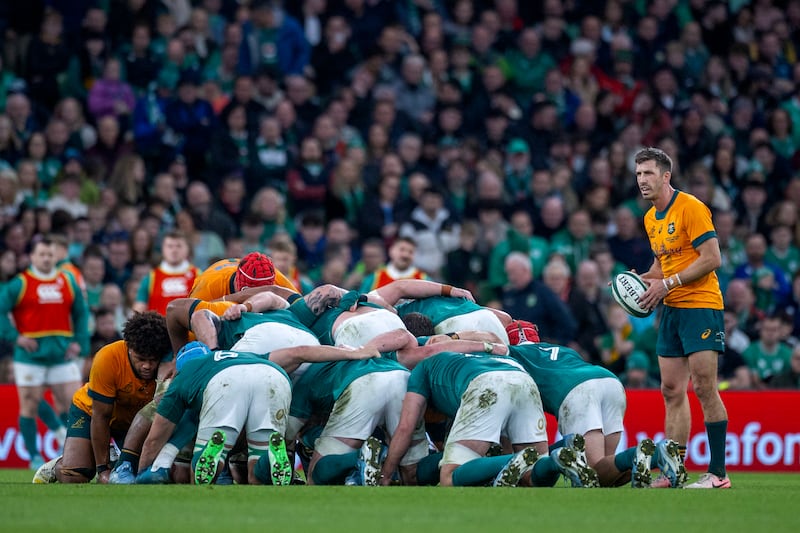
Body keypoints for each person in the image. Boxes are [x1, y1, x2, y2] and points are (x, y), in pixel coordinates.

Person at [138, 339, 377, 486]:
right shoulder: (241, 355)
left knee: (207, 460)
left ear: (179, 368)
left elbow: (154, 438)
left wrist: (142, 474)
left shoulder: (185, 376)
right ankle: (268, 459)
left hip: (225, 385)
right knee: (257, 469)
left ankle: (211, 455)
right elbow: (301, 352)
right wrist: (353, 353)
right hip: (272, 375)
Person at [635, 147, 730, 489]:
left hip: (701, 305)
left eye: (648, 173)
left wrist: (668, 283)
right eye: (638, 174)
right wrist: (642, 282)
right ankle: (673, 472)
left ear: (665, 176)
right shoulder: (650, 218)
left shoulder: (690, 207)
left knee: (704, 386)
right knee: (671, 389)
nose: (642, 180)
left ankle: (718, 474)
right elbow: (662, 265)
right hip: (671, 309)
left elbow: (713, 257)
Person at [31, 311, 171, 484]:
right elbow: (100, 417)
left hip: (133, 422)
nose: (147, 366)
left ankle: (114, 456)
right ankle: (58, 465)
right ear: (129, 347)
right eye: (141, 359)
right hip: (91, 413)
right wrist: (102, 470)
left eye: (153, 360)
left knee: (142, 472)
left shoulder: (169, 360)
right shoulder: (108, 358)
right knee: (74, 476)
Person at [0, 238, 89, 470]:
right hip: (30, 356)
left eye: (50, 254)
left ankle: (71, 448)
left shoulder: (67, 281)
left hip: (62, 355)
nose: (47, 258)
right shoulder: (20, 283)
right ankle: (34, 457)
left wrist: (79, 342)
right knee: (29, 403)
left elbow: (81, 313)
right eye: (42, 254)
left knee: (75, 403)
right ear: (32, 257)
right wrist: (16, 337)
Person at [132, 230, 200, 315]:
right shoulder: (151, 277)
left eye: (179, 246)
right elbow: (139, 309)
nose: (174, 250)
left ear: (187, 249)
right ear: (163, 249)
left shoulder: (198, 275)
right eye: (170, 246)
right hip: (159, 327)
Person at [188, 251, 299, 302]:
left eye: (264, 292)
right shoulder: (208, 286)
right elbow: (189, 331)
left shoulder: (277, 278)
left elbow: (303, 309)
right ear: (239, 283)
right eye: (251, 292)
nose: (255, 297)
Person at [359, 237, 428, 292]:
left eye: (411, 252)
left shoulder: (424, 280)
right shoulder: (374, 279)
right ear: (391, 251)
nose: (405, 255)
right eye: (402, 250)